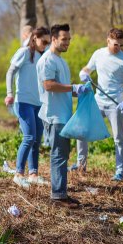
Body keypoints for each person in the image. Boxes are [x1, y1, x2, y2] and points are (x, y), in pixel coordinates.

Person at [73, 28, 123, 181]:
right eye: (116, 44)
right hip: (98, 101)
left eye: (121, 45)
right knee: (82, 130)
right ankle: (80, 164)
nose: (119, 48)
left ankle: (120, 171)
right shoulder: (98, 54)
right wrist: (84, 74)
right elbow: (87, 69)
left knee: (118, 138)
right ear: (108, 41)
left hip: (116, 104)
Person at [36, 23, 90, 208]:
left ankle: (62, 194)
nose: (67, 42)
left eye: (69, 39)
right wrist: (73, 87)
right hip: (54, 115)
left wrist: (78, 91)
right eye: (64, 39)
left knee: (63, 154)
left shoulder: (60, 60)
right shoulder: (47, 60)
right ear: (54, 39)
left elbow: (62, 88)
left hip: (64, 115)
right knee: (59, 154)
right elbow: (48, 85)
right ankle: (57, 197)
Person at [4, 26, 51, 189]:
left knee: (37, 140)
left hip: (38, 104)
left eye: (48, 42)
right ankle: (18, 174)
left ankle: (33, 175)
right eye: (43, 41)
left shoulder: (43, 56)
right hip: (23, 101)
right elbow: (10, 72)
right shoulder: (24, 52)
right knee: (29, 137)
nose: (45, 44)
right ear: (34, 39)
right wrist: (9, 93)